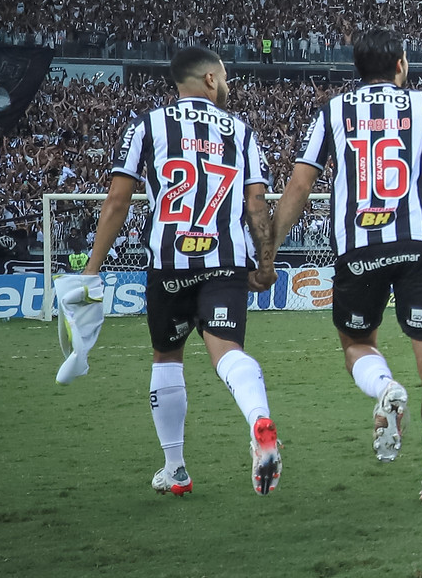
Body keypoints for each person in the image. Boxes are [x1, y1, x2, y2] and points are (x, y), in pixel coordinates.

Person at [271, 28, 422, 507]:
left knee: (358, 344)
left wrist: (269, 251)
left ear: (357, 69)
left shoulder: (333, 112)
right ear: (402, 64)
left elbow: (300, 185)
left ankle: (384, 387)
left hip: (358, 249)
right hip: (418, 246)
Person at [82, 45, 281, 497]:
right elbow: (255, 204)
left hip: (169, 261)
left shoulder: (147, 125)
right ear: (210, 79)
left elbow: (116, 201)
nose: (227, 84)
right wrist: (265, 264)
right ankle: (258, 421)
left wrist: (93, 268)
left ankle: (175, 469)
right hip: (225, 259)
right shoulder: (241, 131)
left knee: (166, 356)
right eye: (225, 76)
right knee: (226, 350)